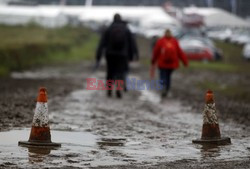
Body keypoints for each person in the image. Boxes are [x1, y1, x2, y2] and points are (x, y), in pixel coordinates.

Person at [95, 13, 138, 98]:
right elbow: (132, 43)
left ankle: (109, 89)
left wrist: (98, 55)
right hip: (122, 55)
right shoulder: (126, 28)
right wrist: (134, 54)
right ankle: (118, 89)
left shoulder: (109, 28)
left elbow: (102, 43)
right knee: (120, 73)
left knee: (110, 72)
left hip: (110, 54)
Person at [150, 29, 188, 98]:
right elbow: (180, 52)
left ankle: (163, 88)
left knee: (162, 76)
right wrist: (185, 62)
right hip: (172, 64)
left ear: (164, 33)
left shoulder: (160, 41)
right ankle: (167, 89)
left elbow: (156, 52)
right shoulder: (174, 41)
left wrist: (153, 60)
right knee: (168, 77)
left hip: (162, 63)